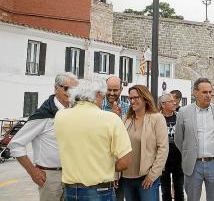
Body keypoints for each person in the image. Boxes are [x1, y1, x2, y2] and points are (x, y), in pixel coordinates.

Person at [54, 79, 133, 200]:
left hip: (70, 190)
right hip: (100, 190)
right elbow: (126, 161)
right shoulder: (111, 119)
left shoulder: (60, 116)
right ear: (98, 94)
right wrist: (105, 166)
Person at [8, 72, 78, 201]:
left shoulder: (75, 112)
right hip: (50, 177)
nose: (71, 92)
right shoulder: (43, 114)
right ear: (56, 88)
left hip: (72, 176)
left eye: (75, 89)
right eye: (67, 88)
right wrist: (33, 172)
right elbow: (16, 144)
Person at [175, 78, 214, 201]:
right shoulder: (184, 112)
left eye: (210, 92)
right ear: (195, 92)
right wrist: (189, 153)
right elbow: (178, 139)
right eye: (204, 92)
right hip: (193, 165)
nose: (208, 95)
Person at [120, 85, 168, 201]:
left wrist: (152, 176)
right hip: (126, 178)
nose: (132, 101)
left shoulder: (157, 118)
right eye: (130, 98)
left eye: (136, 97)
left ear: (145, 98)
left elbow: (163, 148)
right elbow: (119, 146)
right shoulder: (126, 119)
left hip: (147, 177)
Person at [102, 76, 130, 201]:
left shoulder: (127, 108)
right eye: (109, 90)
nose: (112, 93)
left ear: (121, 89)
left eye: (115, 90)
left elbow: (126, 135)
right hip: (101, 164)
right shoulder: (96, 106)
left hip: (120, 164)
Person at [159, 93, 184, 201]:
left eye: (174, 100)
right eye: (171, 101)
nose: (174, 103)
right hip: (163, 159)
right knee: (165, 190)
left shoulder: (180, 116)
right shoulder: (157, 118)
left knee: (179, 189)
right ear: (163, 104)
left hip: (178, 158)